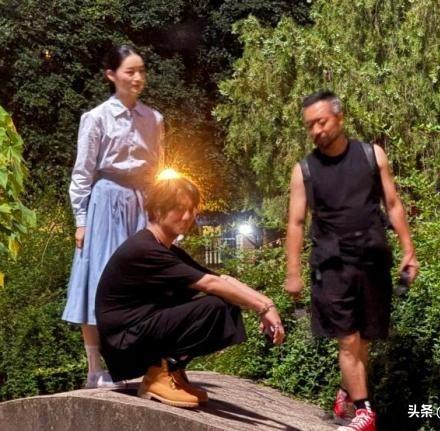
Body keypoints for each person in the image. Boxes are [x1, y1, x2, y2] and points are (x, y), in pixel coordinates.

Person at [285, 91, 419, 431]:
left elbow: (392, 204)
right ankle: (365, 413)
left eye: (321, 122)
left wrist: (409, 250)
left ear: (340, 118)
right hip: (332, 265)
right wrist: (293, 272)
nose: (316, 130)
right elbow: (296, 223)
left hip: (373, 259)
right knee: (347, 340)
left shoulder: (372, 156)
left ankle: (346, 394)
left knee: (363, 341)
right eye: (309, 125)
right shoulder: (304, 171)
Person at [95, 175, 285, 408]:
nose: (187, 217)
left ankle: (172, 371)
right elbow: (210, 284)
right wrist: (262, 308)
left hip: (137, 335)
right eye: (179, 209)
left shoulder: (165, 249)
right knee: (216, 306)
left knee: (226, 301)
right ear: (158, 209)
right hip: (124, 344)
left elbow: (221, 279)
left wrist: (267, 304)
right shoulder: (145, 249)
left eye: (191, 210)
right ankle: (158, 375)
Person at [62, 45, 164, 388]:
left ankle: (138, 363)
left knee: (142, 284)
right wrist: (81, 220)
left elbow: (158, 170)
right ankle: (95, 369)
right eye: (130, 71)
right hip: (105, 202)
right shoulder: (96, 118)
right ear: (111, 75)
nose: (138, 78)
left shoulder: (154, 119)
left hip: (141, 202)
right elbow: (82, 173)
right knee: (97, 280)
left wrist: (161, 218)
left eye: (141, 70)